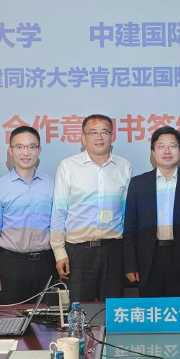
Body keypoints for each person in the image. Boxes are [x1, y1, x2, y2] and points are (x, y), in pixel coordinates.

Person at [51, 114, 132, 302]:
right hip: (78, 253)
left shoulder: (124, 167)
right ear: (83, 137)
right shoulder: (68, 167)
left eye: (105, 132)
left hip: (113, 250)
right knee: (80, 311)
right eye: (93, 132)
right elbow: (59, 212)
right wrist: (59, 252)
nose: (99, 137)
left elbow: (128, 213)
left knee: (112, 310)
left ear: (112, 136)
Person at [123, 126, 180, 297]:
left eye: (172, 145)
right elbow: (130, 229)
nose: (167, 151)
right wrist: (130, 265)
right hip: (149, 259)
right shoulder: (138, 184)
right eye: (161, 146)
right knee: (151, 310)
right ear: (153, 152)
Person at [0, 126, 55, 305]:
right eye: (20, 147)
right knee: (12, 319)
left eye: (32, 147)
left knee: (48, 318)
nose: (26, 152)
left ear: (39, 150)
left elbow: (59, 225)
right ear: (11, 150)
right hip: (11, 265)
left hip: (46, 263)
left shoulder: (52, 184)